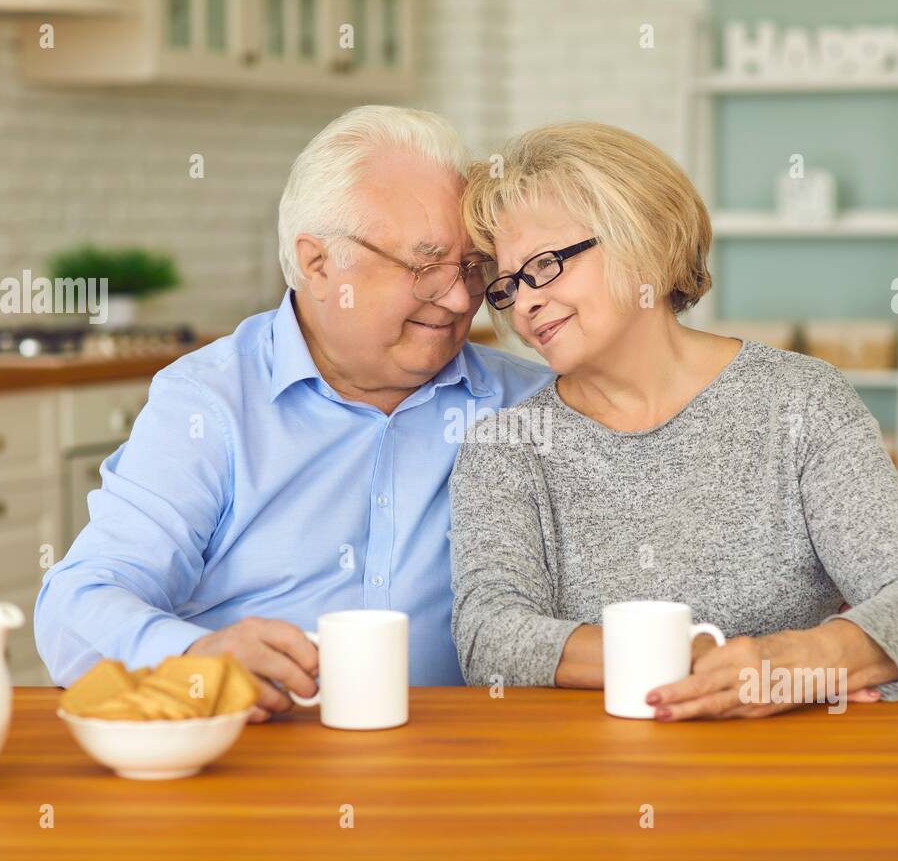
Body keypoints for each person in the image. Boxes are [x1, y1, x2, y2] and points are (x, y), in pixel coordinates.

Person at [35, 106, 551, 721]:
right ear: (318, 264)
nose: (462, 297)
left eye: (473, 266)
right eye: (426, 266)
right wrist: (197, 654)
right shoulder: (211, 404)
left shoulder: (529, 403)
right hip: (257, 758)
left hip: (458, 757)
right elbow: (77, 605)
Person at [449, 121, 898, 720]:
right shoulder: (509, 445)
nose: (525, 302)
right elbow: (490, 639)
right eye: (507, 286)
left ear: (647, 243)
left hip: (785, 771)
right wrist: (677, 657)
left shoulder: (799, 402)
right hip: (594, 777)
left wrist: (786, 664)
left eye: (544, 265)